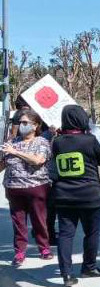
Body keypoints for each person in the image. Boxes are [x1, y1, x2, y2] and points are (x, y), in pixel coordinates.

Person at [51, 105, 100, 286]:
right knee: (91, 233)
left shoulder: (57, 141)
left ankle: (66, 275)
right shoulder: (89, 140)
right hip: (89, 195)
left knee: (65, 235)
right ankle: (89, 267)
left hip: (63, 196)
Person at [1, 109, 53, 267]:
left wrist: (15, 152)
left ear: (35, 125)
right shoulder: (12, 143)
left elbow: (38, 160)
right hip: (13, 188)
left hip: (36, 187)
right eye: (20, 122)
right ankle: (19, 252)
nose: (21, 125)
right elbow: (3, 164)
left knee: (39, 220)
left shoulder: (41, 142)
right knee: (18, 222)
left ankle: (44, 248)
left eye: (25, 123)